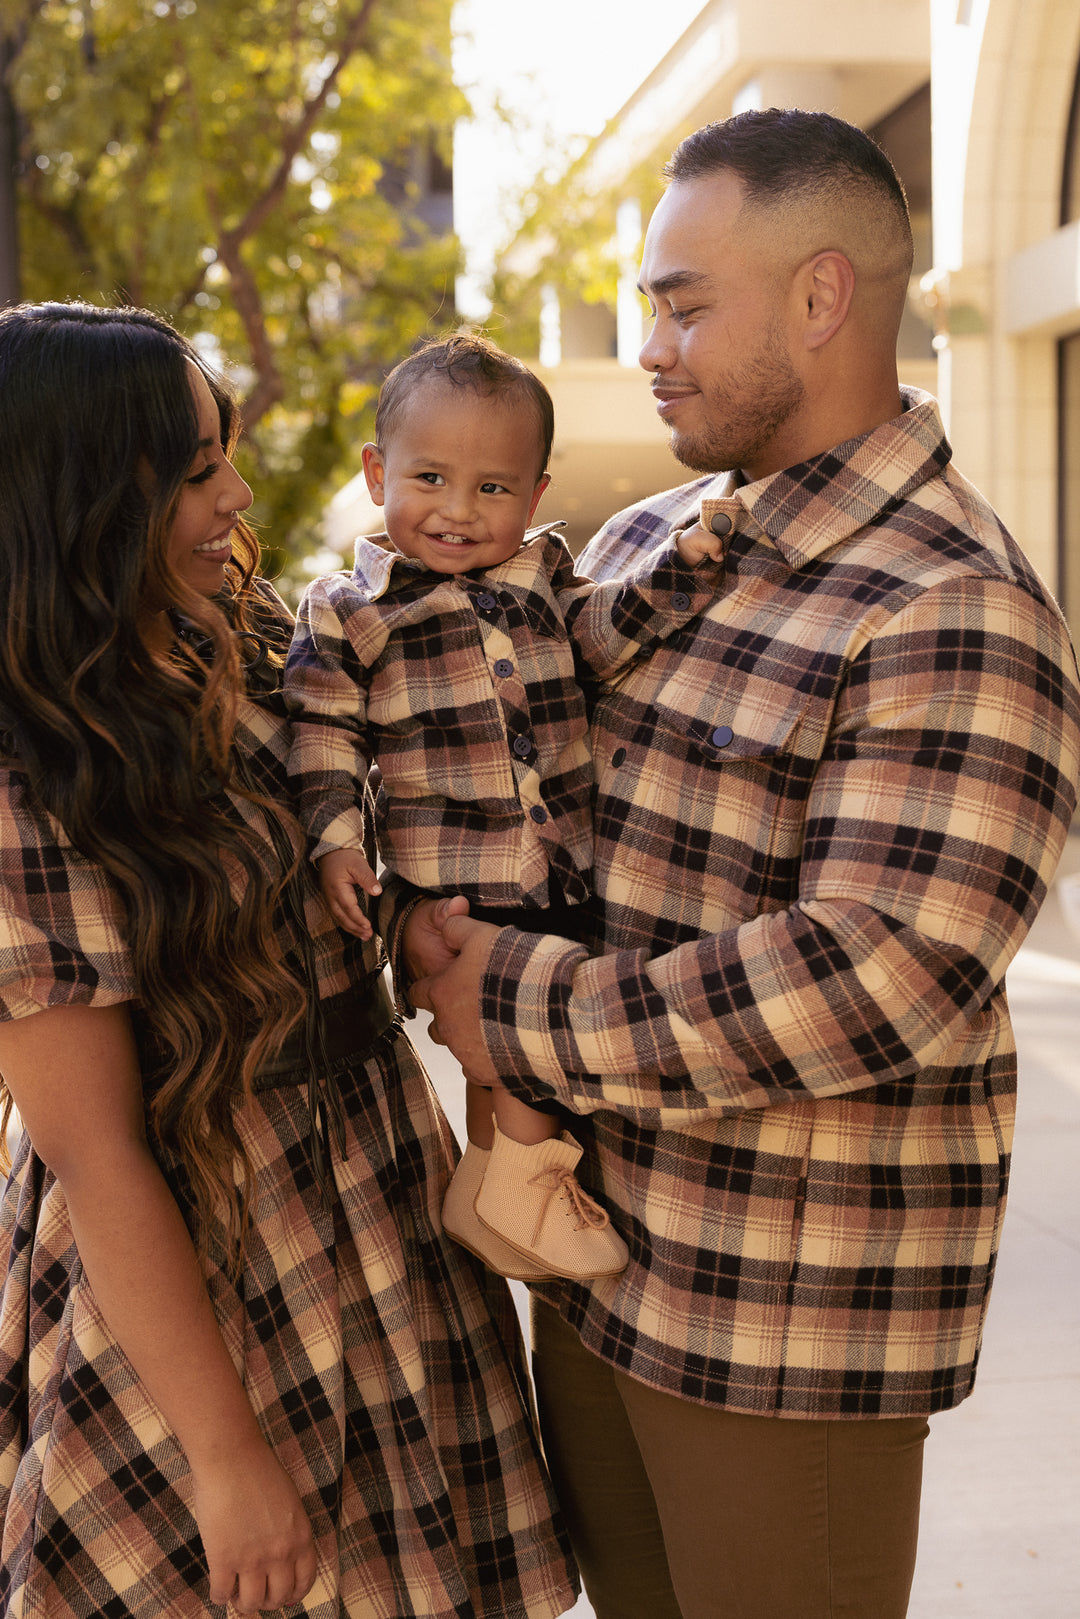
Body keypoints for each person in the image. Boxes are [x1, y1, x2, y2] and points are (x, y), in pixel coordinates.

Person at [403, 109, 1080, 1619]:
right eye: (653, 302)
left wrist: (501, 996)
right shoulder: (647, 542)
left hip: (783, 1332)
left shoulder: (953, 610)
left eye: (684, 302)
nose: (651, 342)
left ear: (822, 297)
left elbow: (867, 984)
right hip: (592, 1272)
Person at [0, 301, 580, 1619]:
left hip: (375, 1191)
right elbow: (95, 1157)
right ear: (88, 490)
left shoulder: (258, 642)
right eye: (197, 468)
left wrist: (421, 911)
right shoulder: (29, 770)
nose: (240, 494)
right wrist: (223, 1451)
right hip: (200, 1264)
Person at [285, 331, 720, 1283]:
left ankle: (496, 1176)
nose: (457, 511)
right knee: (513, 1033)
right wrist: (332, 843)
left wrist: (680, 572)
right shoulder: (353, 610)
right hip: (459, 872)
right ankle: (521, 1187)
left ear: (534, 495)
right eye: (430, 478)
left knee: (523, 1043)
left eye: (492, 488)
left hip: (565, 854)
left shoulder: (544, 586)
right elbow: (321, 736)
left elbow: (610, 633)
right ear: (376, 472)